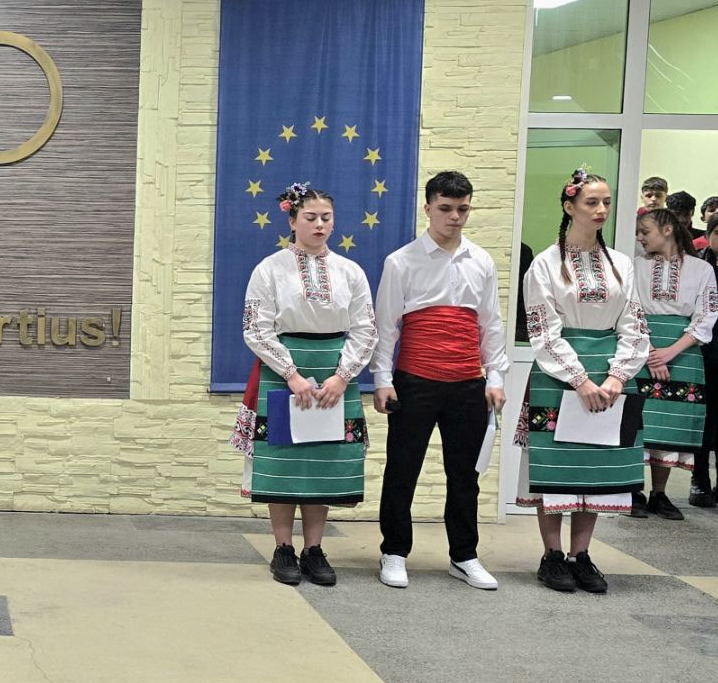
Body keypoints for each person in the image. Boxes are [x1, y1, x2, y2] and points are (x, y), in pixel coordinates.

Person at [231, 183, 375, 587]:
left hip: (334, 374)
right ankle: (283, 548)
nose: (319, 225)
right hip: (284, 372)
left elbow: (366, 328)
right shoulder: (269, 269)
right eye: (310, 217)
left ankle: (314, 549)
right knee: (283, 462)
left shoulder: (351, 271)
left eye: (326, 217)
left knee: (321, 462)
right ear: (292, 220)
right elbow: (255, 328)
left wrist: (342, 376)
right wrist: (291, 375)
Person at [514, 168, 650, 595]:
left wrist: (616, 376)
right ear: (569, 206)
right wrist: (580, 379)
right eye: (592, 202)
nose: (601, 209)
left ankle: (582, 555)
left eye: (606, 201)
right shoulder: (544, 264)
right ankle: (552, 555)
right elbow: (542, 330)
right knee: (556, 467)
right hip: (559, 374)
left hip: (610, 375)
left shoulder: (622, 264)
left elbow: (634, 324)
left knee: (597, 465)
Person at [372, 171, 507, 591]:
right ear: (428, 207)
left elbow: (490, 325)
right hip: (415, 380)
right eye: (445, 208)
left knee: (465, 475)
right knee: (402, 469)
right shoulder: (401, 261)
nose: (455, 217)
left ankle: (464, 555)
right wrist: (382, 379)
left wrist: (495, 376)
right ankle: (394, 552)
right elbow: (385, 326)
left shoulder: (481, 261)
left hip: (467, 383)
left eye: (463, 209)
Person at [627, 208, 716, 520]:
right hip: (641, 346)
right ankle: (633, 490)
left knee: (671, 423)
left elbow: (708, 313)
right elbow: (629, 309)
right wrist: (651, 351)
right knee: (639, 420)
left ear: (667, 230)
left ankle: (659, 493)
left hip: (683, 351)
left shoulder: (701, 269)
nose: (640, 238)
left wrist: (671, 352)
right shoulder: (634, 266)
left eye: (645, 231)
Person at [690, 212, 718, 508]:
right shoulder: (699, 268)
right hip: (704, 355)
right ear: (708, 235)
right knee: (704, 423)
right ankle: (699, 481)